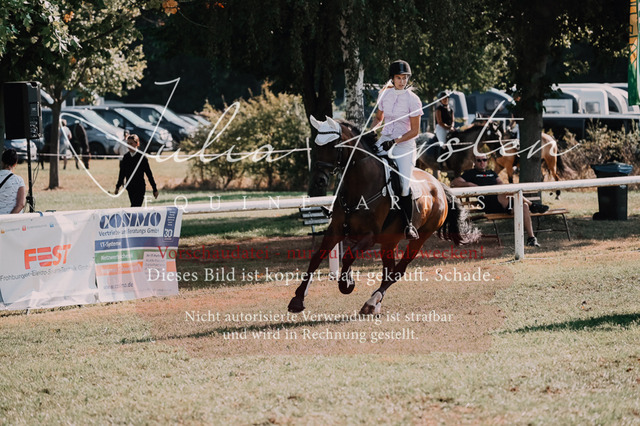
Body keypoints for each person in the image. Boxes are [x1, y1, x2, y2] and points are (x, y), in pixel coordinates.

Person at [371, 59, 424, 240]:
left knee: (403, 185)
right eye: (398, 78)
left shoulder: (413, 99)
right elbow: (379, 118)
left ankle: (409, 225)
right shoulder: (384, 95)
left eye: (404, 78)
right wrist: (370, 131)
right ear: (392, 78)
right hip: (385, 139)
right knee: (365, 166)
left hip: (404, 146)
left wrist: (395, 140)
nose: (402, 81)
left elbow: (415, 131)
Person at [451, 153, 549, 247]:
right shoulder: (470, 173)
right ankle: (533, 205)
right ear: (474, 162)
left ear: (487, 161)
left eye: (484, 160)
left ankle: (531, 238)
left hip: (504, 201)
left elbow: (501, 184)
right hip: (489, 204)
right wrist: (469, 184)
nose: (482, 162)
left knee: (524, 206)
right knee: (506, 192)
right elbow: (454, 182)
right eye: (479, 160)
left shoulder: (491, 173)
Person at [115, 134, 158, 207]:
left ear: (137, 144)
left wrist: (154, 189)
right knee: (135, 208)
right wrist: (117, 186)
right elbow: (122, 173)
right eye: (128, 143)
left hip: (140, 187)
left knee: (135, 206)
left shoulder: (142, 157)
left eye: (131, 143)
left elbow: (149, 174)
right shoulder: (126, 157)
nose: (129, 146)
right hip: (130, 187)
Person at [0, 149, 26, 214]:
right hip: (14, 219)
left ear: (2, 162)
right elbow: (21, 204)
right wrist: (9, 217)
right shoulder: (19, 180)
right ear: (15, 164)